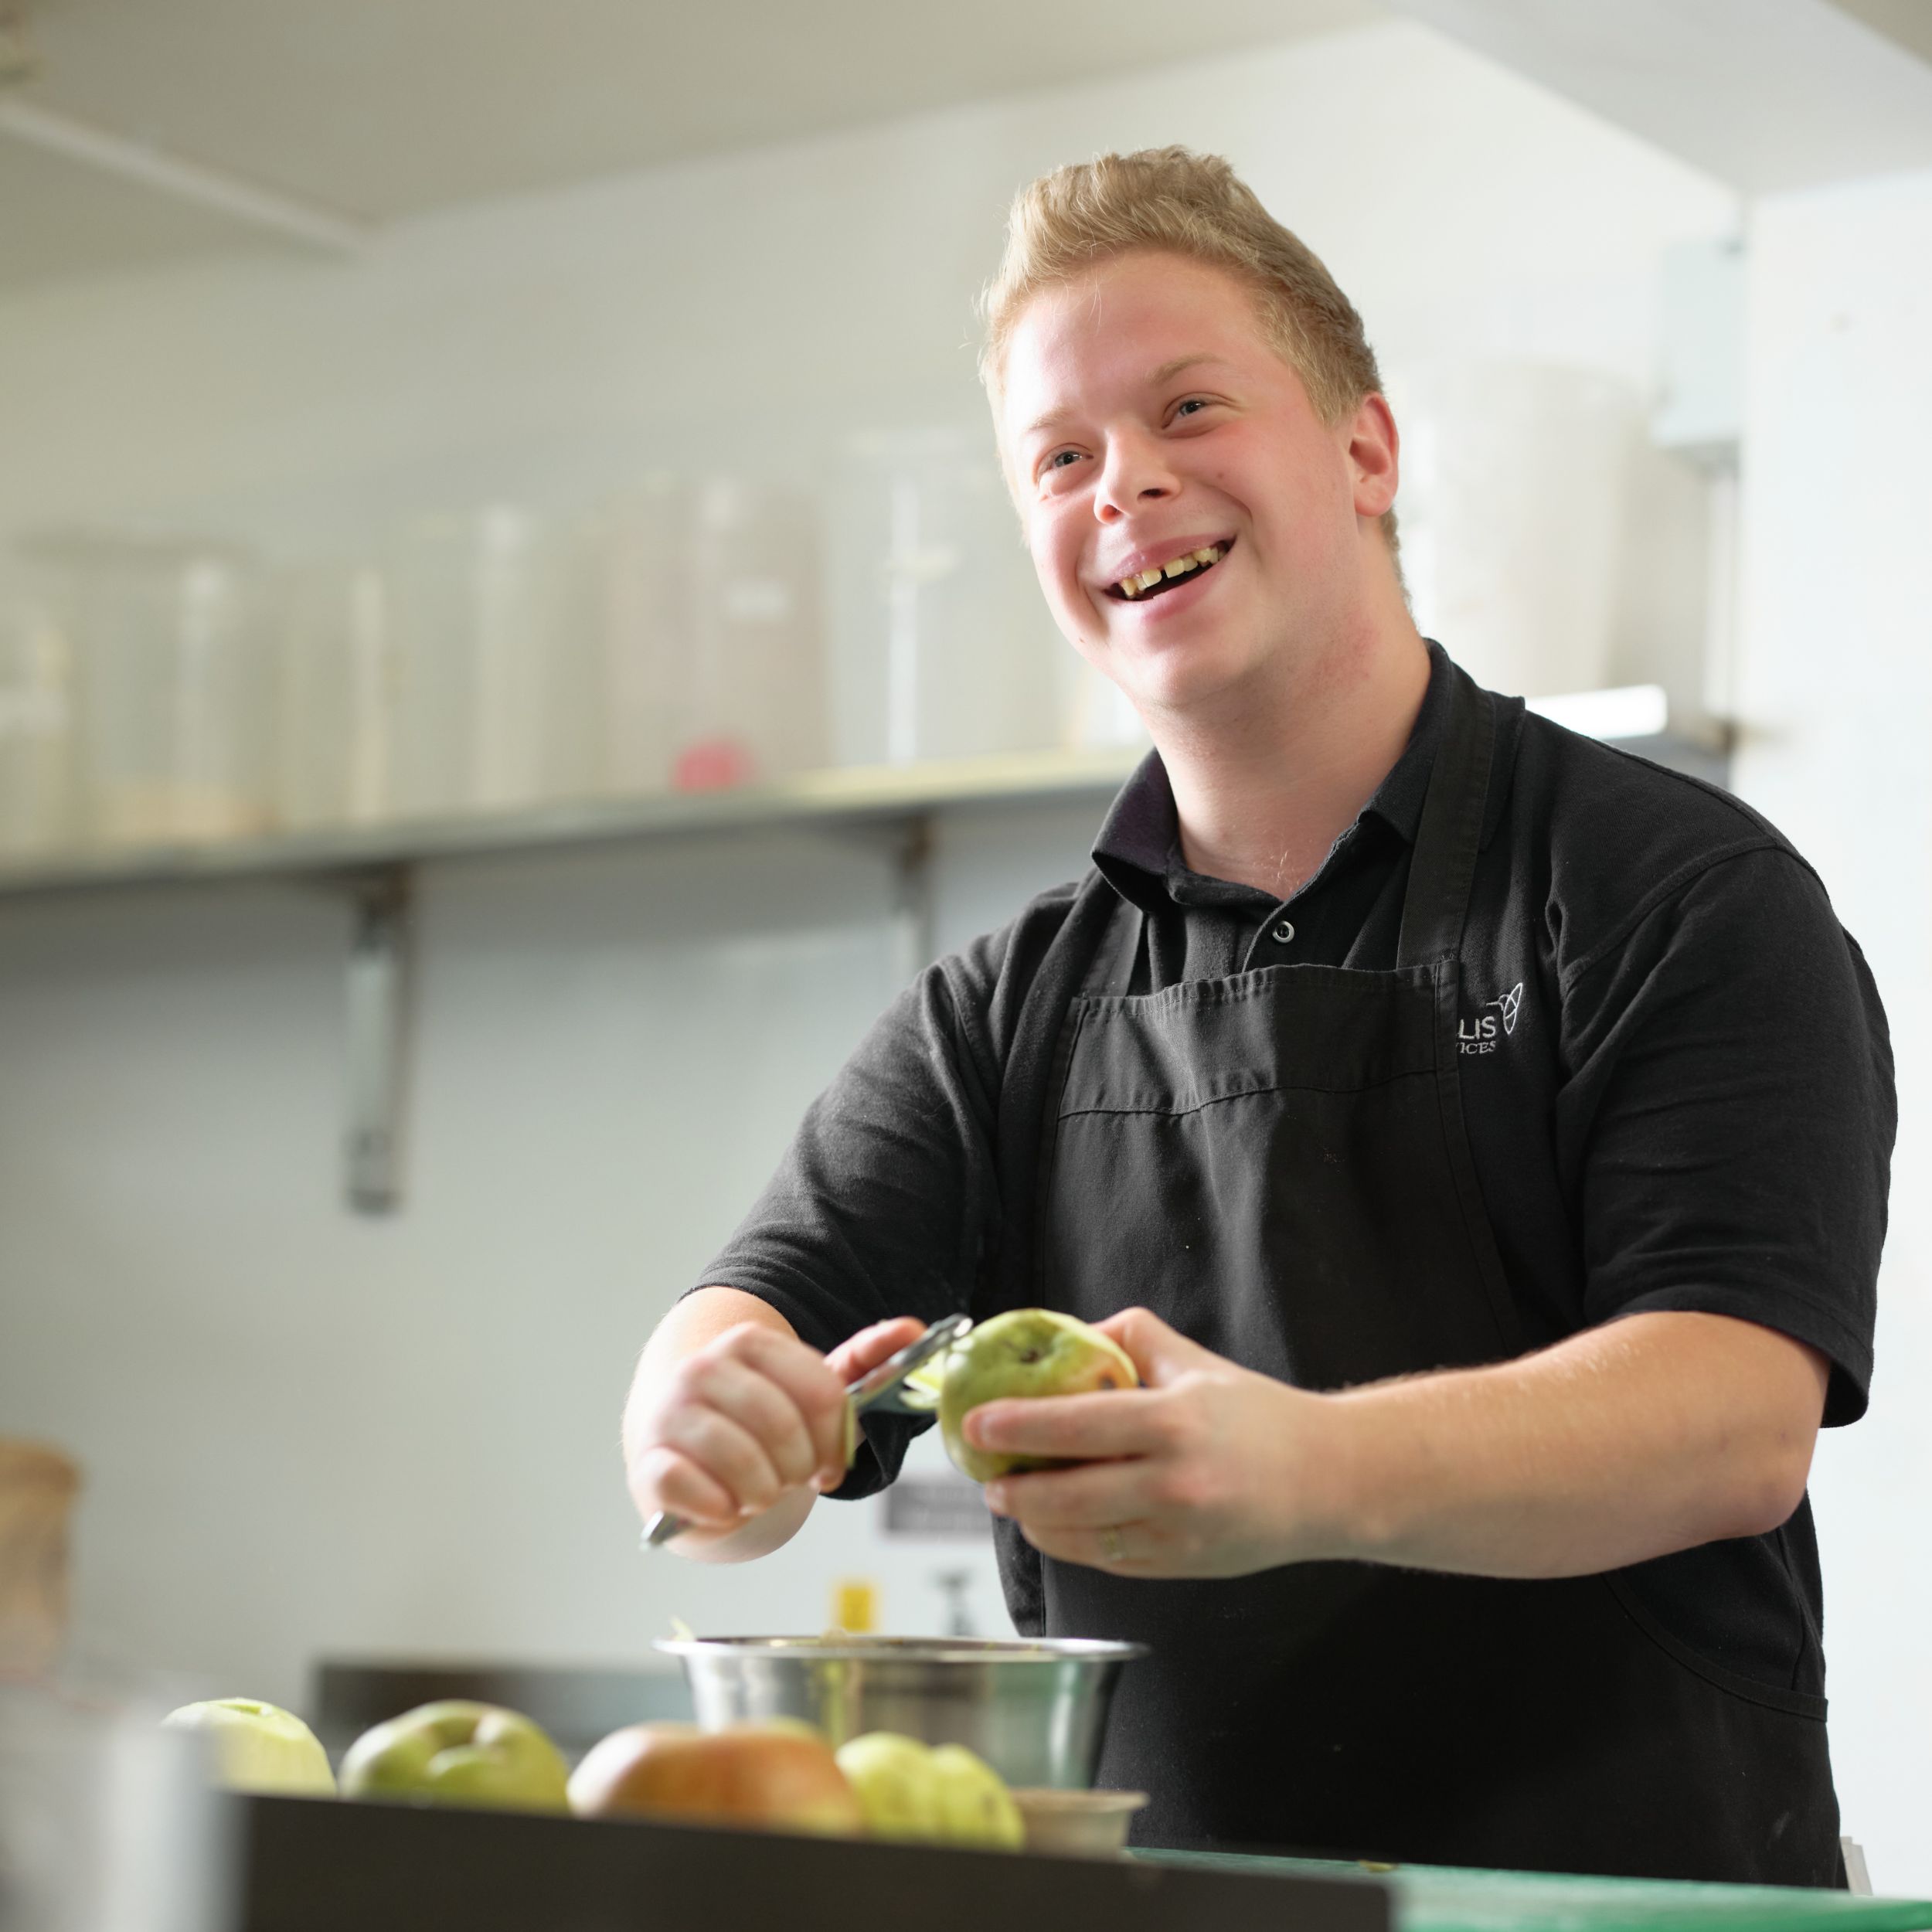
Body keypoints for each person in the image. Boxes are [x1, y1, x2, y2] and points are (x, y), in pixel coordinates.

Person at [621, 148, 1893, 1885]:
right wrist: (705, 1412)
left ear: (1364, 449)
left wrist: (1301, 1466)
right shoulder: (1008, 1009)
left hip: (1598, 1910)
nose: (1122, 485)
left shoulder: (1673, 889)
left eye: (1187, 407)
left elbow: (1729, 1411)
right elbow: (752, 1319)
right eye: (1057, 457)